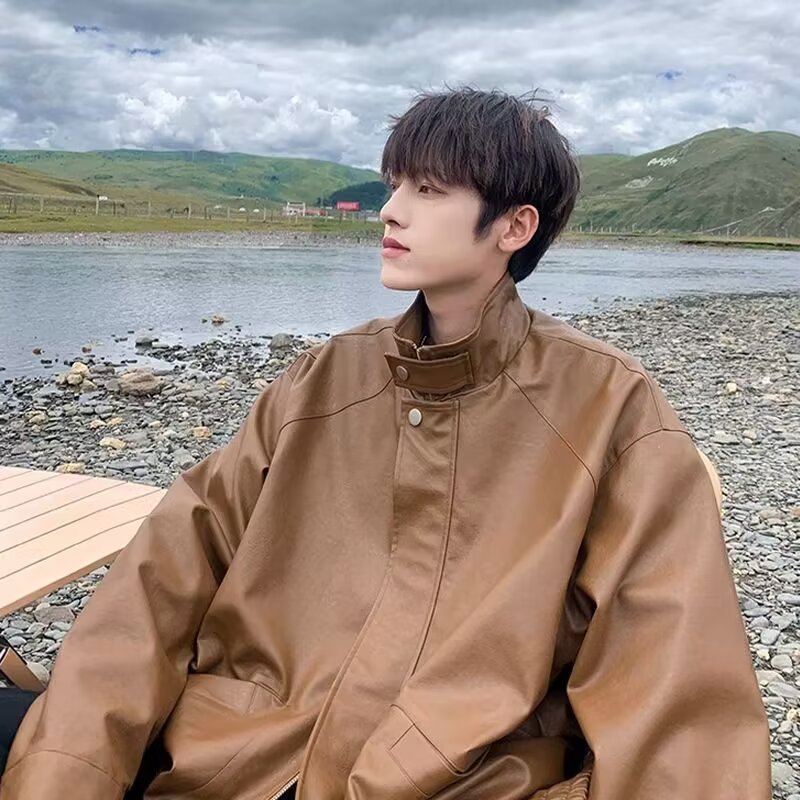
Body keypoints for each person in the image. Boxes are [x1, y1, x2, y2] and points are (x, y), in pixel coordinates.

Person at [0, 86, 771, 800]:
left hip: (459, 780)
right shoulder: (324, 378)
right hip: (235, 757)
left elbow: (677, 700)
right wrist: (66, 775)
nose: (390, 211)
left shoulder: (609, 407)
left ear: (515, 226)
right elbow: (158, 584)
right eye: (394, 184)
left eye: (428, 190)